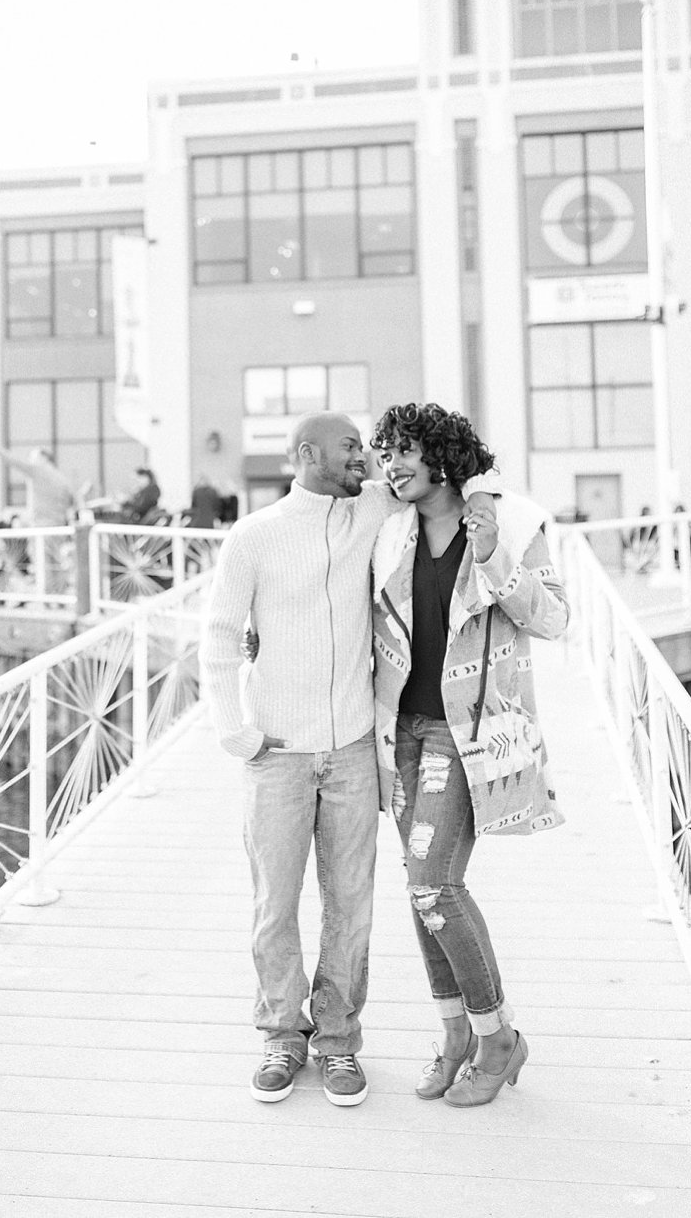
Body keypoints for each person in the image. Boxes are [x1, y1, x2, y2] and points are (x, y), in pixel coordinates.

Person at [201, 411, 497, 1109]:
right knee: (274, 905)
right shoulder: (255, 536)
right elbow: (216, 635)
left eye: (366, 446)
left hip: (356, 748)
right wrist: (235, 733)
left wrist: (482, 498)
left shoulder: (374, 509)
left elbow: (450, 477)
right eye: (349, 447)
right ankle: (281, 1033)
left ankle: (337, 1040)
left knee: (352, 906)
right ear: (307, 454)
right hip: (276, 751)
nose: (365, 456)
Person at [369, 403, 567, 1108]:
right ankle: (455, 1034)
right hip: (402, 732)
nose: (390, 464)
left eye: (403, 450)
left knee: (433, 882)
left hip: (469, 732)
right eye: (383, 451)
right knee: (421, 890)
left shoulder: (509, 522)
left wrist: (491, 558)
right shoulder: (388, 531)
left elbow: (554, 618)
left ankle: (497, 1038)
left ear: (443, 453)